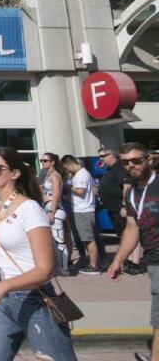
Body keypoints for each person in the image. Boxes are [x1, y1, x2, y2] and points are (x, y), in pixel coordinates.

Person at [0, 147, 77, 361]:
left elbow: (45, 269)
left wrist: (2, 286)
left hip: (33, 298)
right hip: (2, 301)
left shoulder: (30, 209)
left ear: (14, 173)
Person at [108, 142, 159, 361]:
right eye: (126, 162)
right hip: (153, 260)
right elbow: (132, 228)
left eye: (137, 160)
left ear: (149, 160)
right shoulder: (131, 194)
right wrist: (118, 259)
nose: (131, 165)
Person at [98, 146, 141, 275]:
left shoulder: (119, 167)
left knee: (131, 233)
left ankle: (135, 263)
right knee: (123, 235)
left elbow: (126, 186)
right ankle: (128, 260)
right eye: (99, 156)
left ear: (112, 155)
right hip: (112, 208)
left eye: (103, 156)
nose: (101, 159)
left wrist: (124, 205)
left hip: (120, 207)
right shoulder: (110, 169)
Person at [62, 155, 101, 275]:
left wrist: (66, 185)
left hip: (83, 210)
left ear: (69, 164)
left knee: (88, 239)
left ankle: (94, 266)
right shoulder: (80, 174)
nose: (67, 171)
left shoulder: (81, 175)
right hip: (81, 209)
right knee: (86, 238)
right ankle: (91, 263)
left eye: (66, 168)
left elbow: (80, 191)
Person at [40, 152, 69, 276]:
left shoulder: (55, 176)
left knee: (59, 240)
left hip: (55, 209)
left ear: (52, 162)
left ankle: (64, 268)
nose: (42, 162)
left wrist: (52, 211)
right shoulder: (48, 175)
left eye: (45, 160)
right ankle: (59, 267)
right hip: (48, 207)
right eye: (41, 160)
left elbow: (56, 194)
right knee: (54, 240)